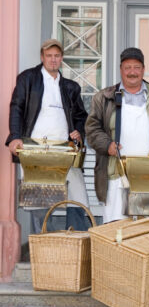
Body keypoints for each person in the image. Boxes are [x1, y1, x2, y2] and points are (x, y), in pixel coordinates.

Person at [85, 47, 149, 223]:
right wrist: (107, 145)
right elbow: (92, 129)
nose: (132, 72)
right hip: (116, 173)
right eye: (127, 67)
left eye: (136, 67)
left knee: (147, 225)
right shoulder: (104, 97)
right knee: (117, 226)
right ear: (121, 70)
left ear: (143, 69)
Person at [5, 39, 89, 233]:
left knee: (77, 196)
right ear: (42, 57)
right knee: (39, 199)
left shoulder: (71, 87)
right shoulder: (28, 79)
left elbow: (80, 116)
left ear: (61, 59)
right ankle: (45, 247)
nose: (53, 59)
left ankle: (75, 243)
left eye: (57, 56)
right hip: (35, 149)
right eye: (49, 55)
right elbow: (16, 107)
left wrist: (78, 131)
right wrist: (15, 136)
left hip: (65, 150)